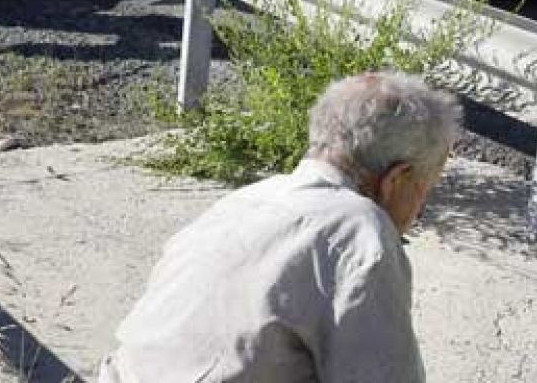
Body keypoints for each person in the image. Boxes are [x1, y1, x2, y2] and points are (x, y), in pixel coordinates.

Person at [98, 72, 462, 383]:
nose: (419, 211)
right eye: (423, 192)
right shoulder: (361, 233)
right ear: (395, 179)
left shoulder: (244, 201)